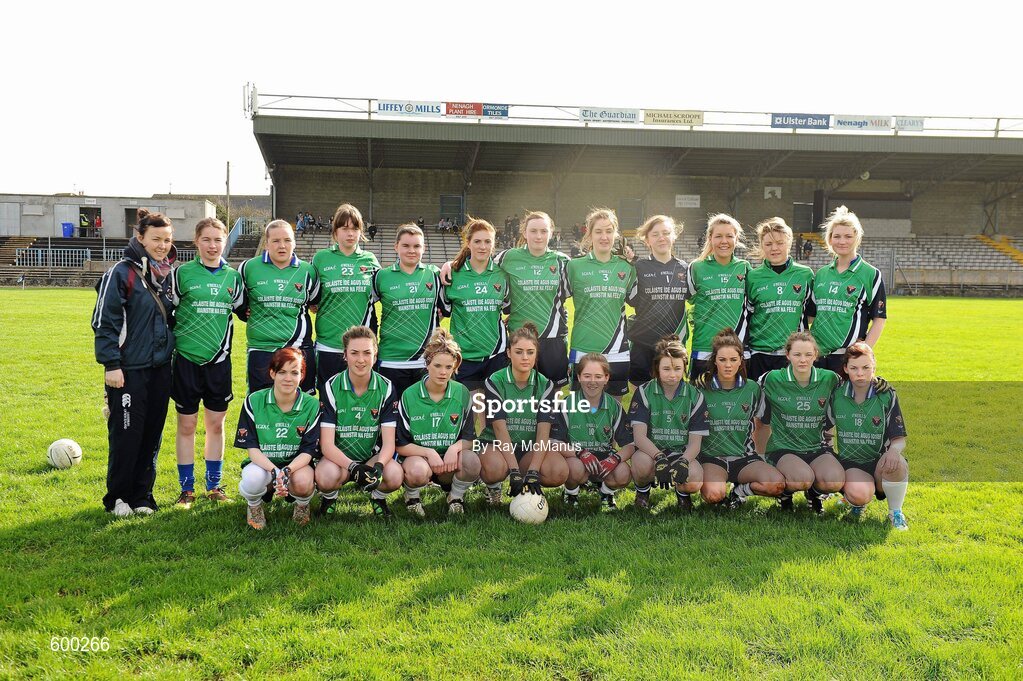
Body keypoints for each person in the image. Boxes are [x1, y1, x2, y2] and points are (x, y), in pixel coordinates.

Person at [92, 208, 176, 517]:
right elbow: (104, 323)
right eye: (156, 239)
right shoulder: (122, 273)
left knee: (152, 434)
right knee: (127, 434)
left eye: (167, 240)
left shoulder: (167, 274)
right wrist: (111, 364)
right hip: (128, 371)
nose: (162, 245)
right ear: (140, 238)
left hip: (160, 370)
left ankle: (143, 496)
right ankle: (117, 498)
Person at [441, 211, 571, 388]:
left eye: (543, 231)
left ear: (551, 232)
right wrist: (449, 264)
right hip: (518, 338)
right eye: (533, 231)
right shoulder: (507, 258)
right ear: (524, 233)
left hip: (553, 339)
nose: (538, 236)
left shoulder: (563, 261)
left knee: (552, 397)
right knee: (518, 395)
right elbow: (478, 263)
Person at [168, 217, 244, 508]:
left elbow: (244, 311)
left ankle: (214, 486)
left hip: (219, 361)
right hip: (186, 361)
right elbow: (166, 311)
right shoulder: (182, 273)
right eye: (206, 239)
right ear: (196, 241)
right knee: (186, 426)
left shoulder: (234, 278)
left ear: (225, 242)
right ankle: (186, 490)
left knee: (216, 424)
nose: (213, 246)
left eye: (218, 240)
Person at [315, 326, 404, 518]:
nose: (361, 360)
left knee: (395, 475)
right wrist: (353, 467)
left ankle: (377, 496)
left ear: (375, 354)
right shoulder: (331, 386)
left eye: (367, 353)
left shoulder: (386, 387)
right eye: (354, 353)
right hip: (338, 459)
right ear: (345, 355)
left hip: (370, 457)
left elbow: (389, 443)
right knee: (325, 476)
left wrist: (378, 467)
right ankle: (330, 497)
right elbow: (327, 445)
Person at [693, 329, 786, 509]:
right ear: (714, 361)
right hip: (713, 459)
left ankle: (739, 492)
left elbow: (763, 425)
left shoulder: (752, 389)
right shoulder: (701, 389)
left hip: (744, 458)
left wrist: (760, 456)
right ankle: (720, 490)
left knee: (777, 485)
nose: (728, 365)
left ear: (741, 361)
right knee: (714, 495)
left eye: (733, 360)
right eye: (722, 360)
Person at [755, 331, 843, 513]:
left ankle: (813, 493)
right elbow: (747, 394)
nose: (803, 360)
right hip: (784, 448)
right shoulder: (772, 379)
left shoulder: (830, 379)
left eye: (808, 355)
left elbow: (856, 389)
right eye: (797, 354)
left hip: (817, 447)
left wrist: (877, 383)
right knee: (801, 478)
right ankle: (785, 495)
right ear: (787, 355)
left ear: (816, 355)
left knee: (834, 481)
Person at [395, 329, 480, 517]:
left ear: (455, 366)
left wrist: (454, 448)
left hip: (448, 463)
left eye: (448, 367)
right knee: (417, 471)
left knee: (472, 462)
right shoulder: (409, 395)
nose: (443, 372)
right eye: (437, 366)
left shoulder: (462, 393)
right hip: (419, 460)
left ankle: (455, 497)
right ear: (427, 364)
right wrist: (428, 452)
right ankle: (412, 497)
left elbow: (470, 439)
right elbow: (401, 445)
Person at [234, 347, 321, 529]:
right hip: (263, 464)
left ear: (302, 375)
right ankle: (254, 507)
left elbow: (308, 451)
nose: (288, 378)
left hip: (297, 465)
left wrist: (287, 471)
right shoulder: (254, 401)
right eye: (282, 372)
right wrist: (275, 471)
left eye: (294, 372)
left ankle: (302, 505)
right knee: (252, 480)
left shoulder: (312, 405)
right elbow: (253, 449)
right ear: (272, 373)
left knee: (304, 482)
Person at [477, 322, 563, 505]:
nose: (525, 357)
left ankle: (526, 485)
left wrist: (532, 471)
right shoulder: (494, 381)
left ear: (536, 354)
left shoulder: (546, 385)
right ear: (508, 352)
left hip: (528, 448)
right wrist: (514, 470)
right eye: (519, 352)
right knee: (494, 469)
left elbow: (543, 433)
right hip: (497, 444)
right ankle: (494, 487)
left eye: (530, 352)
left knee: (558, 471)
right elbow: (499, 429)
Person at [829, 342, 909, 530]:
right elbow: (825, 430)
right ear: (845, 369)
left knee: (897, 462)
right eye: (854, 368)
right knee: (860, 493)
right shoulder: (837, 394)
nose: (860, 373)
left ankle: (895, 512)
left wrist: (893, 452)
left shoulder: (886, 394)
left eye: (866, 367)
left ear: (874, 366)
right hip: (853, 465)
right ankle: (855, 502)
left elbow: (899, 439)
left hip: (880, 463)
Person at [238, 220, 319, 395]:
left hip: (298, 349)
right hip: (261, 349)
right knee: (261, 408)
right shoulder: (248, 268)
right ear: (266, 243)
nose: (282, 246)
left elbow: (315, 302)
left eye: (287, 240)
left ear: (294, 242)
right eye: (275, 241)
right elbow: (239, 303)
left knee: (300, 409)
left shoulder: (308, 271)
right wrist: (243, 312)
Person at [627, 337, 708, 512]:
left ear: (685, 368)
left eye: (678, 369)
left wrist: (684, 461)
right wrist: (659, 457)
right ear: (656, 368)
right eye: (666, 369)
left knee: (694, 479)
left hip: (681, 452)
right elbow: (639, 437)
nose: (672, 374)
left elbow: (695, 443)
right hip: (651, 452)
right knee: (640, 463)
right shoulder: (644, 392)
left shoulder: (695, 396)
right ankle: (642, 492)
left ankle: (683, 495)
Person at [550, 353, 635, 511]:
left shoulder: (614, 406)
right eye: (587, 376)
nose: (592, 381)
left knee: (623, 473)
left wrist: (615, 459)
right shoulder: (567, 404)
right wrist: (580, 453)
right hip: (576, 459)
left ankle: (606, 493)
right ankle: (571, 493)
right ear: (579, 377)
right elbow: (554, 442)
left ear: (606, 378)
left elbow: (630, 445)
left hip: (603, 462)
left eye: (598, 376)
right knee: (574, 468)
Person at [566, 208, 636, 397]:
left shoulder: (627, 267)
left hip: (618, 349)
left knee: (615, 406)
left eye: (609, 231)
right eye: (598, 231)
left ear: (616, 234)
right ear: (589, 234)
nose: (604, 237)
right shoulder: (574, 266)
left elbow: (639, 300)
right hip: (583, 347)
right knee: (580, 409)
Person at [312, 203, 380, 397]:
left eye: (355, 228)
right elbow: (309, 293)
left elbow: (386, 292)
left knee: (360, 399)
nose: (350, 233)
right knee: (328, 401)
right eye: (345, 228)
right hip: (329, 344)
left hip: (361, 348)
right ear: (335, 231)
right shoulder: (320, 259)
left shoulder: (370, 260)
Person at [809, 206, 887, 375]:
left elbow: (879, 318)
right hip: (816, 357)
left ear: (857, 238)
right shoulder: (821, 274)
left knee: (845, 401)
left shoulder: (871, 274)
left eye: (848, 236)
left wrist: (863, 350)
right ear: (829, 239)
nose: (842, 241)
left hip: (847, 358)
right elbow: (812, 315)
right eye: (836, 236)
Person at [373, 224, 446, 398]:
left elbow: (448, 307)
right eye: (406, 245)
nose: (411, 250)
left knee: (424, 417)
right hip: (391, 360)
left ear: (424, 248)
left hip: (427, 361)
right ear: (396, 246)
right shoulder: (381, 276)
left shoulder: (435, 275)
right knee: (392, 419)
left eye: (416, 246)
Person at [444, 217, 509, 395]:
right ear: (468, 243)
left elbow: (510, 310)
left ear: (493, 244)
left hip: (496, 354)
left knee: (495, 414)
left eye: (488, 241)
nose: (483, 246)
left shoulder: (502, 275)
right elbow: (441, 314)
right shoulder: (453, 275)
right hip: (464, 357)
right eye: (477, 241)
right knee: (469, 415)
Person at [745, 218, 814, 380]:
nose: (774, 248)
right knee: (759, 403)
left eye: (780, 243)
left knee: (790, 403)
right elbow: (747, 315)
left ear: (789, 243)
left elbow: (811, 314)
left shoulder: (805, 274)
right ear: (762, 245)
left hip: (793, 355)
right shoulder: (753, 277)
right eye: (768, 244)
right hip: (759, 353)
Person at [627, 215, 689, 388]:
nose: (661, 237)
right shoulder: (638, 268)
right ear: (647, 240)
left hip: (673, 344)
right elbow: (630, 299)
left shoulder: (686, 268)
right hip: (643, 343)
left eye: (666, 233)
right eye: (655, 234)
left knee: (670, 395)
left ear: (674, 236)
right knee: (641, 395)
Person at [686, 214, 751, 380]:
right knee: (701, 402)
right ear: (710, 238)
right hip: (704, 348)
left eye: (729, 236)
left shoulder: (745, 268)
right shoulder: (696, 268)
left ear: (736, 239)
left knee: (736, 401)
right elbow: (686, 301)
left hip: (737, 348)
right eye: (718, 236)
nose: (724, 241)